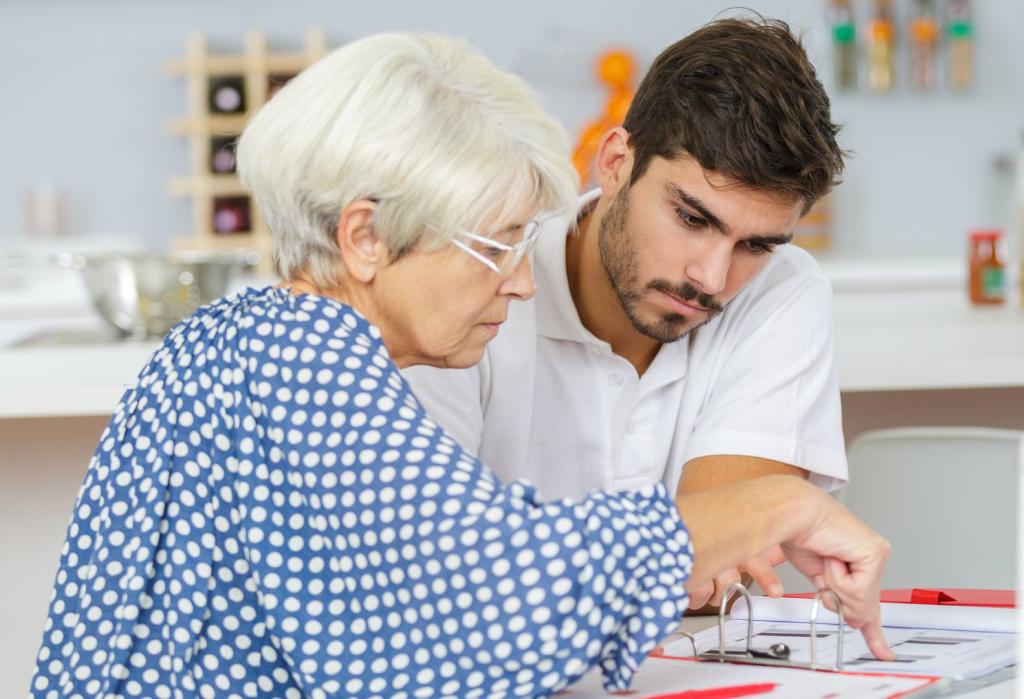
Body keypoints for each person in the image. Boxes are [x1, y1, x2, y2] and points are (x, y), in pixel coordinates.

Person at [28, 32, 891, 699]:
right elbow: (494, 597)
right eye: (497, 243)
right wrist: (780, 502)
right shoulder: (311, 364)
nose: (523, 281)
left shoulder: (239, 338)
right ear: (364, 238)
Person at [405, 17, 850, 609]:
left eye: (756, 245)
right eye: (693, 218)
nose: (711, 279)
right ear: (615, 162)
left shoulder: (784, 290)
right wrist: (691, 546)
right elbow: (438, 570)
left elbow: (709, 582)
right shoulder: (483, 276)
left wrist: (701, 548)